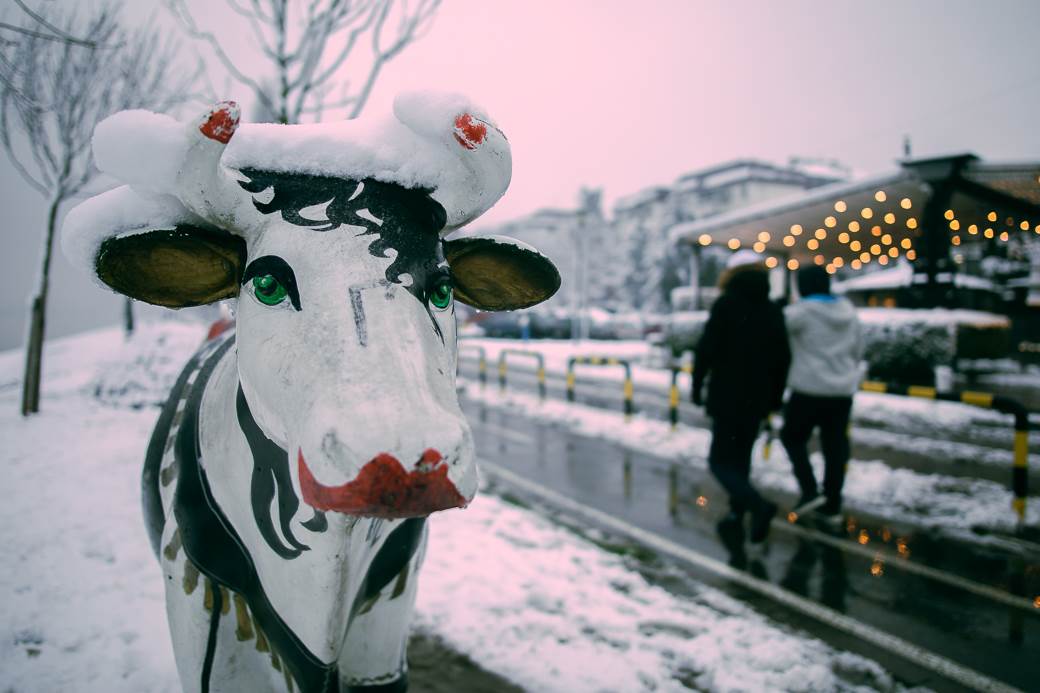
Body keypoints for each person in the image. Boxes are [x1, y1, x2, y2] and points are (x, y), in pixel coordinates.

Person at [693, 250, 790, 547]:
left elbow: (706, 349)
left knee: (720, 462)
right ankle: (738, 514)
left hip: (726, 394)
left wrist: (697, 386)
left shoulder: (725, 305)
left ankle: (757, 505)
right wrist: (774, 398)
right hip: (757, 399)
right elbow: (783, 358)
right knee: (741, 458)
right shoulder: (772, 308)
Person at [780, 265, 864, 526]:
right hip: (841, 392)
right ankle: (833, 503)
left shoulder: (798, 314)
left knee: (792, 437)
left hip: (807, 390)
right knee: (835, 445)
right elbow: (858, 351)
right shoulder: (850, 314)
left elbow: (776, 341)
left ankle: (809, 490)